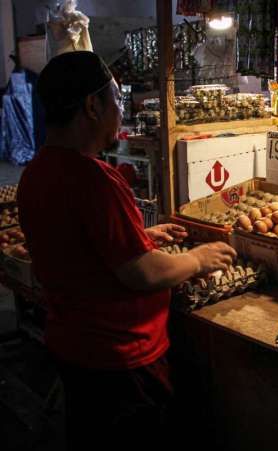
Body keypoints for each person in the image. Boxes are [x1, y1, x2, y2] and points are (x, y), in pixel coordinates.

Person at [17, 51, 236, 450]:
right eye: (116, 99)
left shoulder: (35, 174)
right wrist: (196, 259)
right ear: (92, 106)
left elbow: (79, 248)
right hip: (120, 358)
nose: (121, 110)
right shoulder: (93, 180)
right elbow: (141, 274)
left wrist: (143, 238)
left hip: (72, 346)